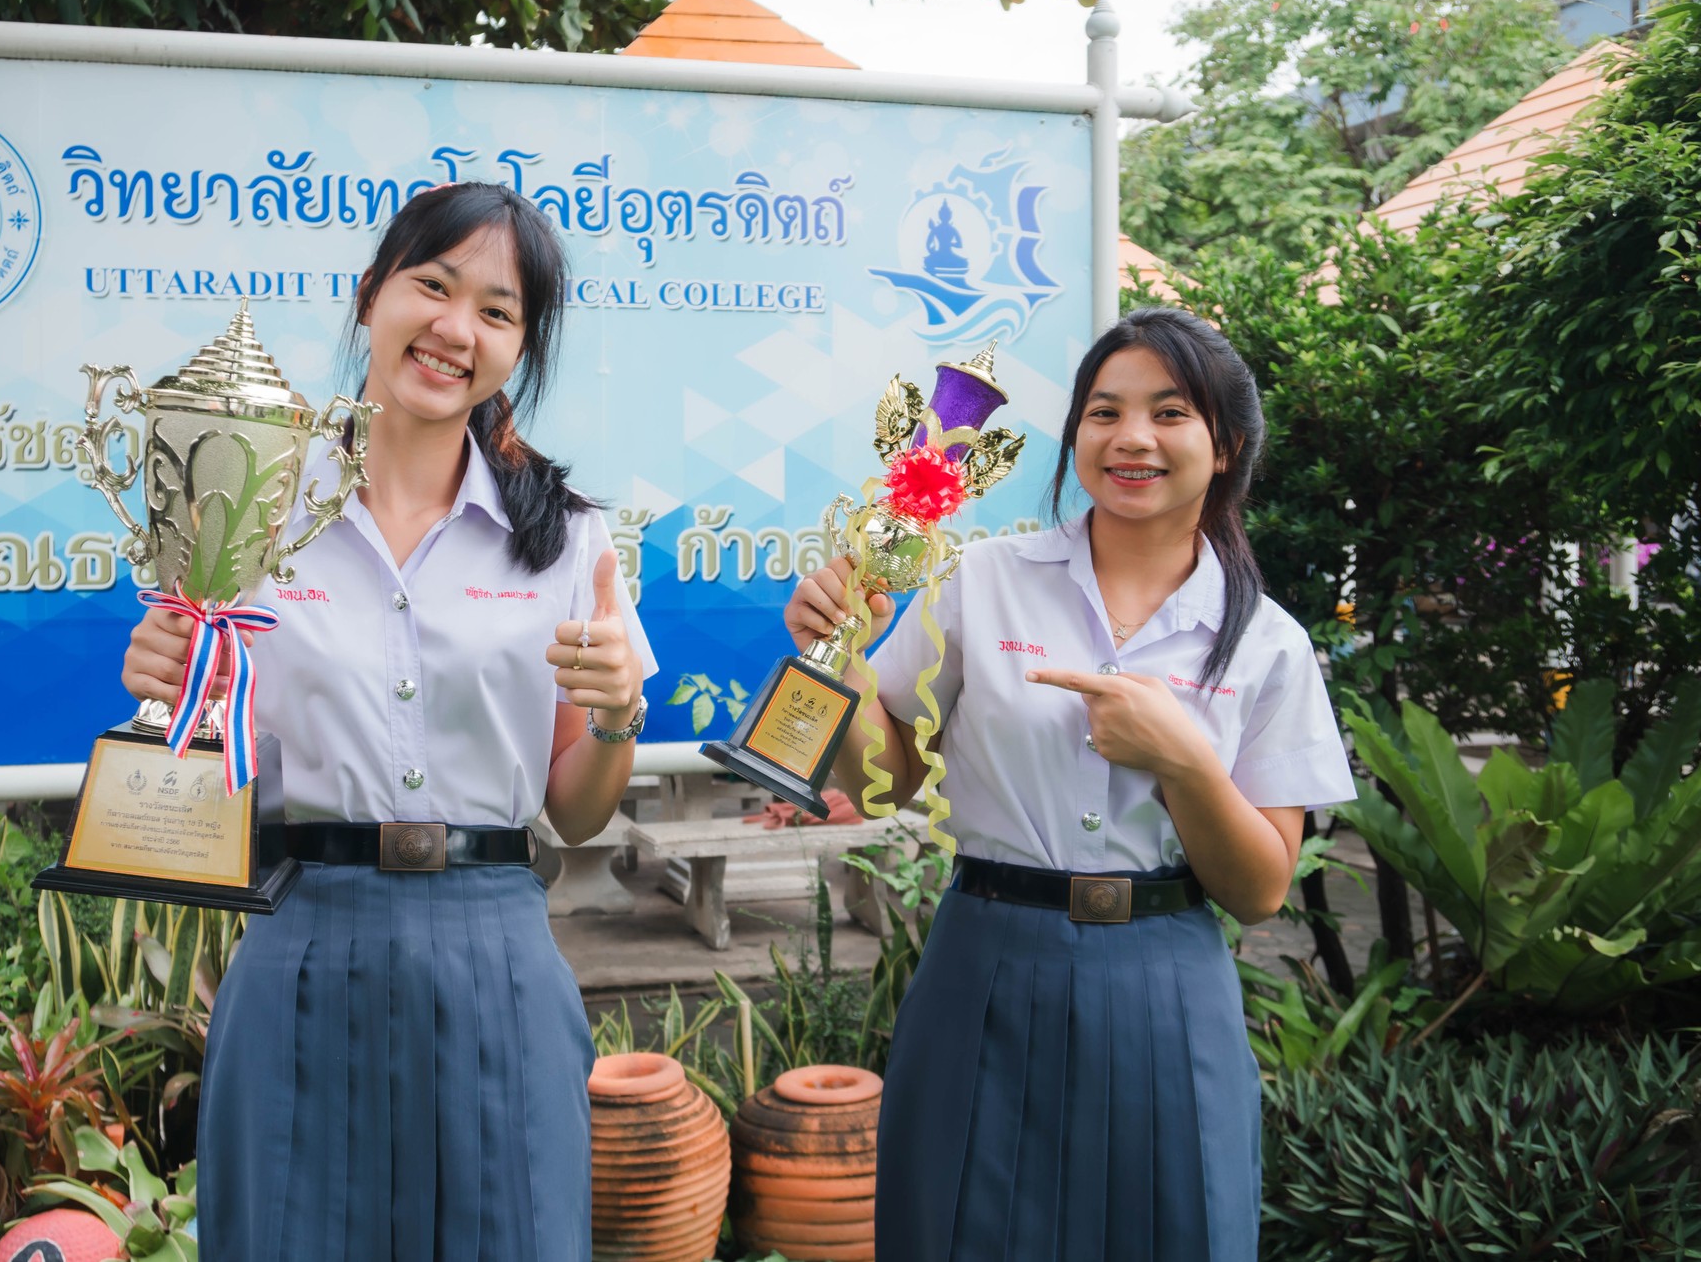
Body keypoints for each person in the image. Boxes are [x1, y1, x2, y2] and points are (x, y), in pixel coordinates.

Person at [120, 183, 654, 1262]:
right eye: (433, 285)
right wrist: (165, 685)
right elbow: (194, 756)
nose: (456, 329)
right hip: (302, 939)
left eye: (497, 311)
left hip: (496, 952)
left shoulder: (565, 541)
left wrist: (614, 718)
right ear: (371, 297)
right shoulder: (247, 504)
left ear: (517, 347)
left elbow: (578, 815)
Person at [784, 307, 1354, 1261]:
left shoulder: (1268, 643)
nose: (1132, 437)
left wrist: (1181, 758)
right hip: (986, 965)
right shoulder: (981, 581)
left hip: (1166, 980)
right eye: (1104, 411)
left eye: (1170, 413)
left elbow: (1258, 890)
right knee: (959, 1228)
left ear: (1228, 447)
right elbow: (889, 777)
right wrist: (837, 672)